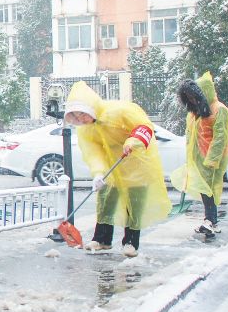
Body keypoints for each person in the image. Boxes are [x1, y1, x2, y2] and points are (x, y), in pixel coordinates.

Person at [64, 81, 171, 257]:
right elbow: (93, 153)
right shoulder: (86, 130)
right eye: (77, 116)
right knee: (106, 202)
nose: (81, 119)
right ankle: (102, 240)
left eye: (83, 113)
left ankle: (131, 242)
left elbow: (144, 127)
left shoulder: (120, 111)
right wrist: (98, 173)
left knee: (134, 205)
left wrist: (132, 142)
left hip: (135, 163)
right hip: (112, 168)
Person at [171, 71, 228, 238]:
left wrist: (212, 159)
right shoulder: (196, 112)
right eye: (188, 97)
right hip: (199, 157)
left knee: (209, 190)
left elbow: (220, 137)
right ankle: (212, 222)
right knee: (205, 190)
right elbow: (191, 134)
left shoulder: (218, 110)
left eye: (193, 96)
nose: (191, 100)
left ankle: (210, 220)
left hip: (210, 158)